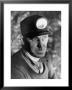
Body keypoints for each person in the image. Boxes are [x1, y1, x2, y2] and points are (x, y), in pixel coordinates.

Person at [11, 15, 55, 79]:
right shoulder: (15, 69)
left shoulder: (46, 57)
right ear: (22, 40)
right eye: (35, 39)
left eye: (44, 38)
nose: (41, 45)